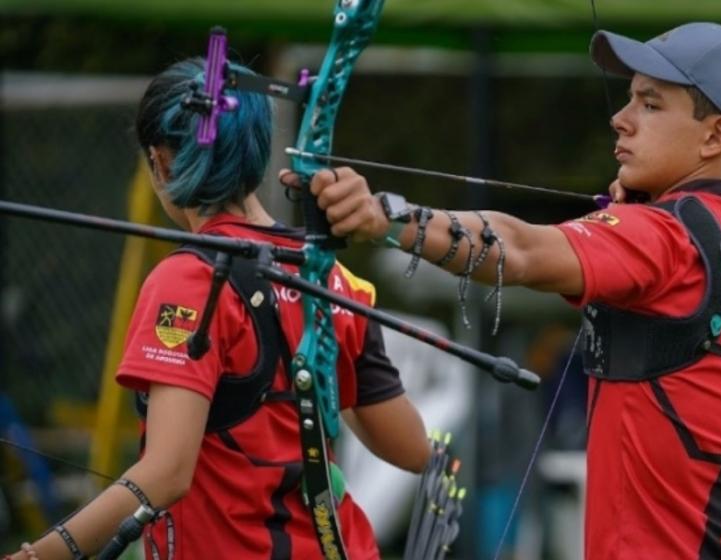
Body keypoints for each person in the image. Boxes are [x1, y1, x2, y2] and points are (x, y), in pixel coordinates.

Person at [293, 22, 721, 559]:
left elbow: (518, 250)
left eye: (651, 104)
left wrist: (385, 217)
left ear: (715, 135)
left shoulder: (665, 238)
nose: (621, 118)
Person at [4, 58, 430, 560]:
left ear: (159, 162)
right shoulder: (332, 279)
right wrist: (325, 358)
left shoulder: (189, 280)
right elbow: (414, 449)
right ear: (257, 153)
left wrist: (39, 557)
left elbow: (165, 474)